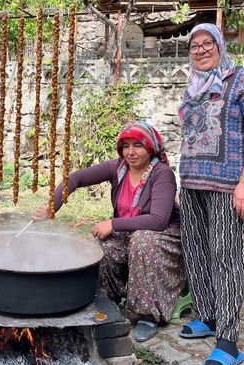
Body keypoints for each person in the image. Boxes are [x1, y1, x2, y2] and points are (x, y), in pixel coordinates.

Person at [33, 121, 183, 342]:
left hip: (162, 236)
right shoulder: (119, 168)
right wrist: (53, 207)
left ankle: (148, 315)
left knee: (143, 241)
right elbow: (75, 179)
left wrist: (113, 224)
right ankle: (109, 299)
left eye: (137, 146)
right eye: (125, 146)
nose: (130, 152)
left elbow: (158, 220)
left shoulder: (162, 174)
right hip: (130, 232)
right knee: (100, 247)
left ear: (150, 147)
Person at [177, 23, 244, 365]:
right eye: (194, 46)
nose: (200, 50)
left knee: (227, 259)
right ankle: (208, 315)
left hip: (230, 186)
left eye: (207, 44)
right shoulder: (194, 86)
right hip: (192, 184)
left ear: (219, 45)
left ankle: (229, 341)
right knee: (197, 252)